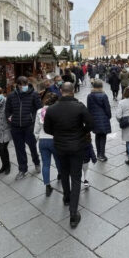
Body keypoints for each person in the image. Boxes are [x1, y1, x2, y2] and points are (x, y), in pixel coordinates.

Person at [44, 82, 94, 228]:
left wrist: (58, 134)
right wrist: (81, 132)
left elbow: (47, 129)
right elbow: (91, 124)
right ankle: (73, 214)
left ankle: (66, 197)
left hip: (60, 146)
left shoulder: (52, 109)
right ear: (73, 91)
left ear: (61, 91)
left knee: (64, 173)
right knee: (76, 177)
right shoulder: (79, 107)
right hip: (77, 146)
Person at [5, 76, 42, 179]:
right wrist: (9, 118)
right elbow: (7, 110)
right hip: (16, 127)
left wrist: (34, 121)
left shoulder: (34, 95)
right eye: (21, 85)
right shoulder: (11, 96)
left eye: (25, 84)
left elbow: (40, 110)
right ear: (17, 85)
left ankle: (37, 162)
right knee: (19, 149)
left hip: (29, 126)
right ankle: (22, 169)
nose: (24, 86)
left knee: (33, 147)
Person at [34, 92, 62, 196]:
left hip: (43, 140)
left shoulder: (39, 111)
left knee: (45, 164)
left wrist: (38, 137)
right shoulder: (58, 111)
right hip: (55, 139)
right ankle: (60, 174)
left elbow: (36, 129)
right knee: (58, 160)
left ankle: (47, 186)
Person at [87, 79, 112, 161]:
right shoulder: (104, 95)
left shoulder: (90, 96)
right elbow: (107, 108)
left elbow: (89, 109)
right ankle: (102, 155)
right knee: (103, 136)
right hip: (103, 118)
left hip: (94, 118)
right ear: (101, 86)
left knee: (97, 135)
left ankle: (98, 154)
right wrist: (109, 116)